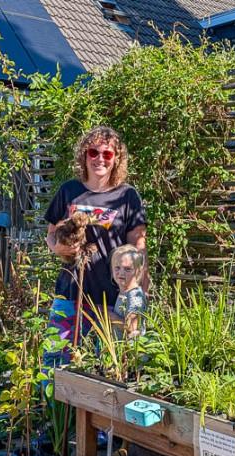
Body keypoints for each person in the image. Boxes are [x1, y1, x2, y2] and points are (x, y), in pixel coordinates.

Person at [44, 126, 148, 363]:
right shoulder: (70, 191)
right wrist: (57, 248)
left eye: (107, 154)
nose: (100, 158)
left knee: (106, 366)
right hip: (71, 292)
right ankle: (52, 401)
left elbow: (138, 248)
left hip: (111, 295)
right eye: (93, 152)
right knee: (55, 361)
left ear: (116, 159)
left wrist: (140, 290)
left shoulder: (127, 196)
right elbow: (51, 233)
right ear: (84, 155)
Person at [109, 245, 147, 338]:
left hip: (129, 349)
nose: (121, 273)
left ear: (138, 271)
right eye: (117, 268)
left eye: (127, 269)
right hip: (119, 349)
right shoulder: (124, 292)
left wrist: (110, 316)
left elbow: (132, 327)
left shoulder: (135, 295)